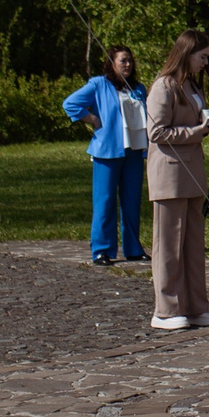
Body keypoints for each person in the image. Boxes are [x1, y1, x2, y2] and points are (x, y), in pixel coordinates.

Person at [144, 31, 209, 331]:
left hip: (192, 174)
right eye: (202, 57)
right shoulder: (164, 86)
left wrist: (204, 127)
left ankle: (195, 306)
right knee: (169, 245)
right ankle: (166, 309)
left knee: (192, 244)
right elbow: (156, 133)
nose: (205, 63)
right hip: (170, 176)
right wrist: (196, 132)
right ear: (186, 54)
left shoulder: (190, 85)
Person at [64, 46, 150, 266]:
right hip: (107, 151)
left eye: (130, 60)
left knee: (132, 202)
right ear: (111, 63)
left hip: (133, 151)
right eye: (123, 61)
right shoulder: (99, 85)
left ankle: (133, 248)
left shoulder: (138, 88)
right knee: (105, 202)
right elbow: (70, 104)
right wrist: (92, 119)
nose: (128, 65)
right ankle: (102, 250)